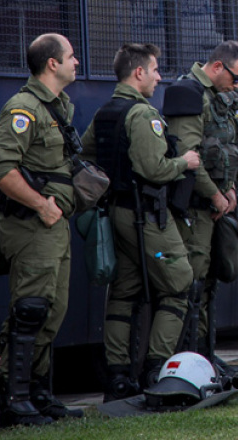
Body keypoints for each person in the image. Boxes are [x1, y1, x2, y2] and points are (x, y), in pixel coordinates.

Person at [82, 44, 201, 399]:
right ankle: (157, 369)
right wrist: (185, 162)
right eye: (155, 70)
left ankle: (118, 376)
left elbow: (85, 155)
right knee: (180, 284)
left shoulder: (105, 112)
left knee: (123, 292)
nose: (159, 77)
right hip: (146, 216)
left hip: (116, 214)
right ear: (139, 73)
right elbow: (154, 169)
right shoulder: (142, 114)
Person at [0, 33, 84, 427]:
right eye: (71, 56)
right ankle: (15, 400)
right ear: (52, 63)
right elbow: (0, 168)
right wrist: (42, 205)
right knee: (30, 310)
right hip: (31, 226)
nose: (77, 62)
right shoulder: (23, 108)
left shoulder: (58, 107)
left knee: (52, 311)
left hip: (54, 228)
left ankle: (39, 395)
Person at [162, 41, 238, 357]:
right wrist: (215, 195)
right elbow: (189, 157)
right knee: (193, 282)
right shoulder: (190, 94)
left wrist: (229, 189)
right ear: (216, 67)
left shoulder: (217, 98)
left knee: (210, 280)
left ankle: (204, 354)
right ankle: (187, 356)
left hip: (215, 204)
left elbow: (230, 149)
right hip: (194, 207)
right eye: (236, 79)